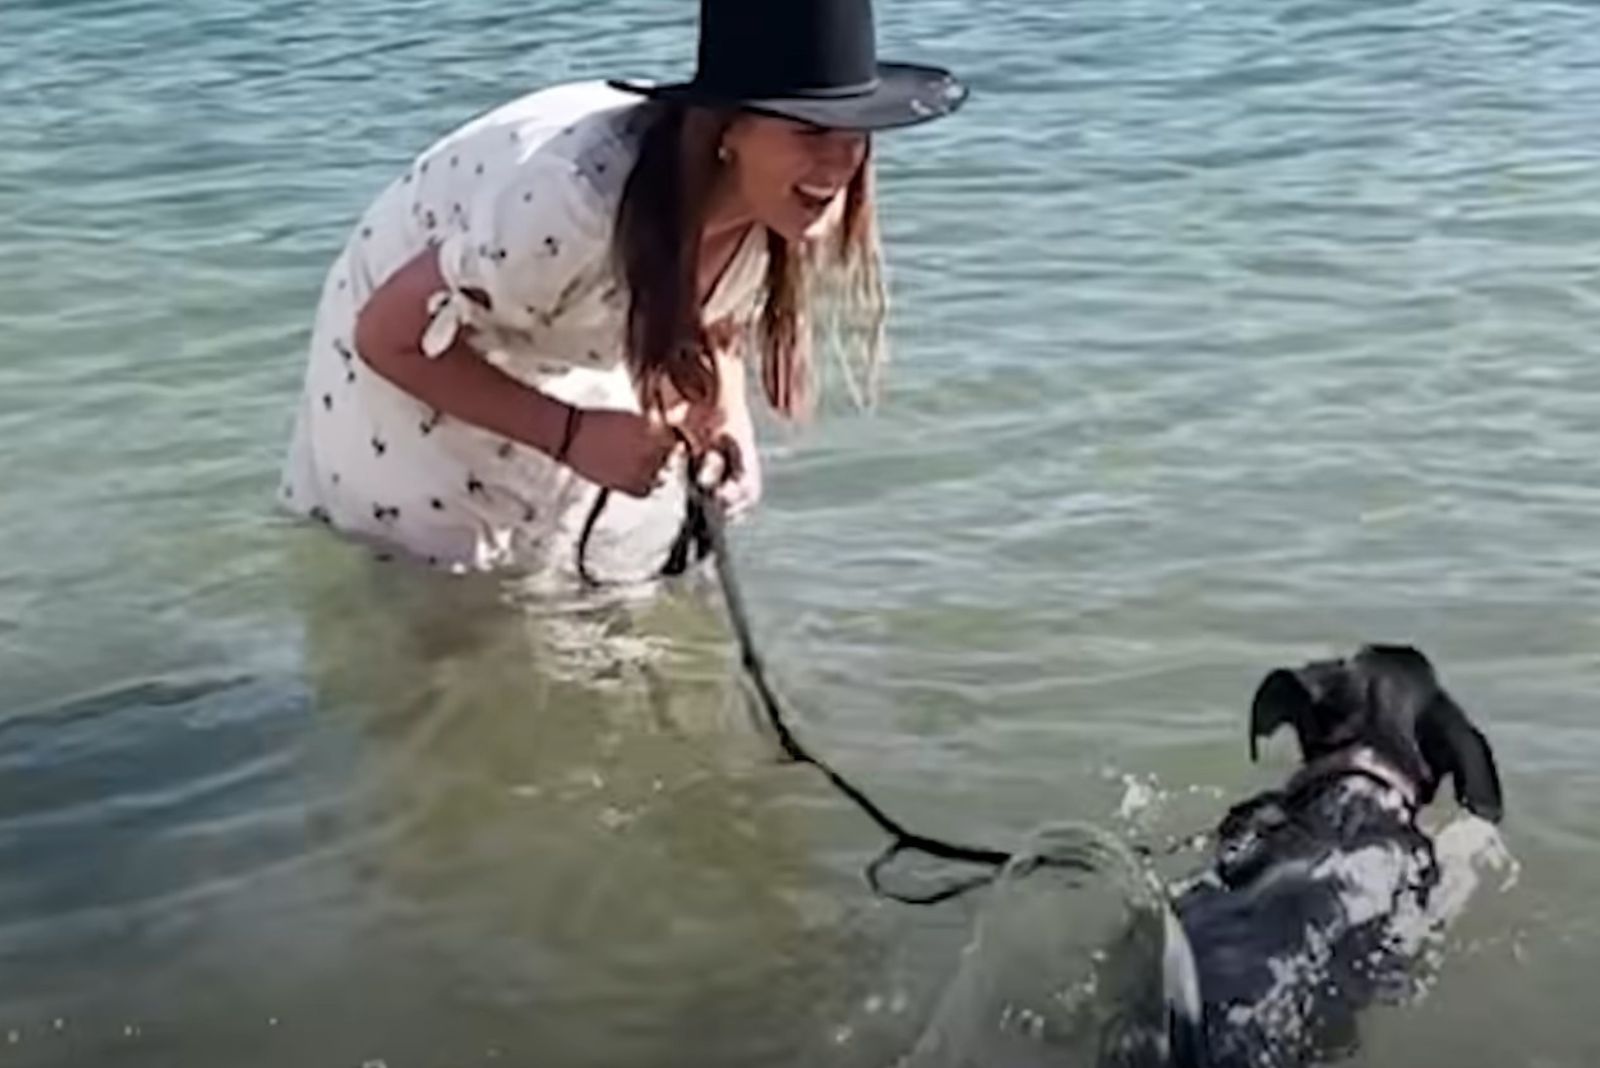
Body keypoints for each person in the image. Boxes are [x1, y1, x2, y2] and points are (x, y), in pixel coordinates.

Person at [278, 0, 966, 580]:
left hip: (553, 318)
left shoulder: (792, 200)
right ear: (729, 130)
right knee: (453, 606)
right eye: (810, 129)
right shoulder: (574, 201)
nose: (841, 161)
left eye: (859, 132)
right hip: (415, 340)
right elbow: (384, 335)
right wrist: (571, 433)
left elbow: (713, 319)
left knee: (577, 587)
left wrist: (724, 419)